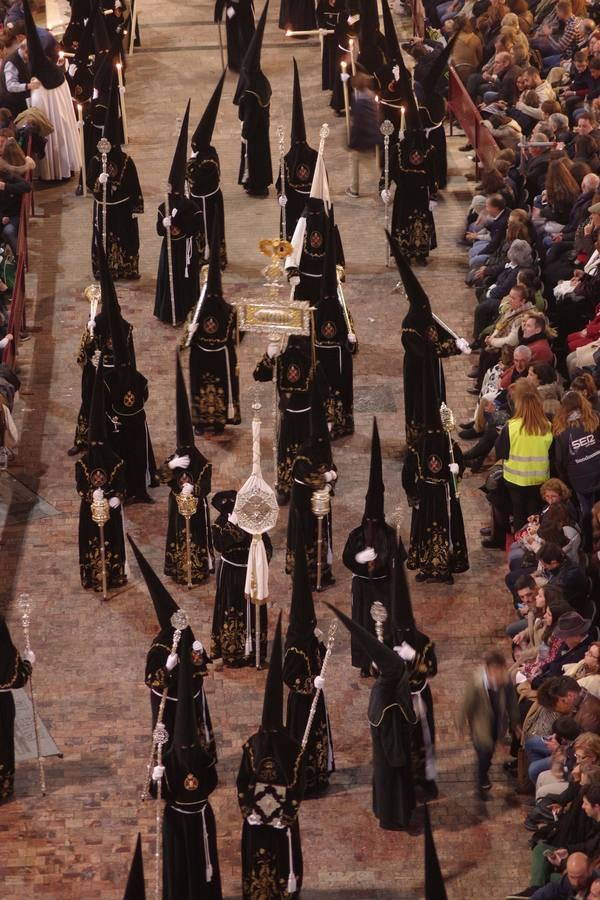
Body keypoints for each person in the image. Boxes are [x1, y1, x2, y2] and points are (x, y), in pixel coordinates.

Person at [326, 602, 417, 830]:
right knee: (393, 789)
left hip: (381, 758)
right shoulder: (390, 705)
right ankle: (395, 818)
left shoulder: (380, 689)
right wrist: (402, 759)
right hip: (391, 760)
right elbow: (393, 740)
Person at [236, 614, 305, 898]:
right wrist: (248, 811)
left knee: (282, 870)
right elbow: (242, 782)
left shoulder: (291, 749)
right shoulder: (253, 746)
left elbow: (298, 785)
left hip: (280, 822)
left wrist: (287, 814)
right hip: (257, 821)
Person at [129, 536, 215, 756]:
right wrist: (166, 668)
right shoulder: (158, 649)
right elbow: (151, 678)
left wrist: (197, 652)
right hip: (170, 703)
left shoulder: (187, 635)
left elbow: (200, 666)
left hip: (190, 697)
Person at [153, 627, 223, 900]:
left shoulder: (194, 757)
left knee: (200, 866)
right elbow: (156, 793)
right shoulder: (172, 760)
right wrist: (157, 777)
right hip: (179, 821)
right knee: (182, 866)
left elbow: (211, 782)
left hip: (198, 817)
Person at [392, 233, 468, 448]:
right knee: (419, 404)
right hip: (417, 371)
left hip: (432, 368)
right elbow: (426, 350)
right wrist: (452, 347)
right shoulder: (409, 325)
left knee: (437, 400)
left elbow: (438, 334)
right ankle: (419, 441)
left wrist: (457, 342)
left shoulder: (423, 317)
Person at [342, 419, 399, 676]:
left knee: (386, 624)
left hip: (383, 587)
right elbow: (347, 559)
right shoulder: (357, 535)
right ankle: (365, 663)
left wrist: (384, 561)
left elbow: (399, 559)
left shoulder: (388, 535)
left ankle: (384, 660)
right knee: (363, 625)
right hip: (364, 588)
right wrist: (359, 559)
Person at [101, 245, 158, 503]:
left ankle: (140, 489)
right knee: (122, 458)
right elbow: (104, 400)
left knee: (138, 457)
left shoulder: (135, 377)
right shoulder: (108, 378)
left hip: (135, 422)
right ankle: (123, 490)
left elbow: (143, 394)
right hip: (118, 424)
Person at [283, 521, 335, 796]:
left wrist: (323, 647)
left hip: (316, 698)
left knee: (318, 738)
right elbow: (289, 677)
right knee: (303, 740)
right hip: (302, 704)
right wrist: (310, 682)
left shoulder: (310, 638)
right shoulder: (293, 647)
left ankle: (320, 775)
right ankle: (305, 780)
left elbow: (319, 657)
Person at [161, 356, 214, 586]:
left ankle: (200, 567)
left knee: (197, 538)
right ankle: (178, 567)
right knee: (178, 536)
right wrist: (171, 467)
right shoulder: (175, 458)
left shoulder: (200, 461)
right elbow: (158, 477)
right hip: (177, 509)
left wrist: (195, 489)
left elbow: (207, 482)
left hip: (196, 508)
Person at [184, 224, 241, 435]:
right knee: (201, 389)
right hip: (205, 357)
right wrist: (189, 331)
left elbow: (236, 336)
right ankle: (201, 422)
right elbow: (184, 341)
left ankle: (217, 422)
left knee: (218, 390)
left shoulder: (227, 311)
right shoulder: (199, 311)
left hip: (216, 358)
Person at [76, 358, 127, 593]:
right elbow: (79, 486)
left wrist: (117, 496)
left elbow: (121, 483)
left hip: (111, 508)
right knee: (91, 543)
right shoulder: (83, 463)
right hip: (91, 510)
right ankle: (93, 576)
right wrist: (90, 494)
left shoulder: (115, 461)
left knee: (113, 541)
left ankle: (114, 575)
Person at [88, 71, 143, 280]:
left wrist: (135, 207)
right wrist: (98, 182)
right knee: (104, 239)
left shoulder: (127, 161)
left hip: (121, 208)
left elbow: (134, 184)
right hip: (104, 207)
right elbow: (92, 185)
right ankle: (106, 268)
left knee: (125, 239)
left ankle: (127, 268)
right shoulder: (95, 160)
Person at [285, 372, 337, 588]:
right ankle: (304, 574)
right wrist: (326, 477)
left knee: (321, 535)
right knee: (305, 537)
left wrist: (332, 476)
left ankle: (321, 572)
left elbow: (332, 468)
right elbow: (308, 475)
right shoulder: (305, 452)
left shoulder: (323, 449)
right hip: (304, 503)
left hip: (321, 502)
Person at [210, 490, 273, 667]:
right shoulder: (220, 524)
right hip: (231, 574)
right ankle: (233, 653)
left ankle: (255, 653)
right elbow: (220, 544)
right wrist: (232, 525)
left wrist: (260, 561)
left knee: (254, 611)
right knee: (232, 608)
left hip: (251, 572)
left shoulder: (254, 521)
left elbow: (267, 546)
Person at [154, 101, 203, 326]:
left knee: (183, 282)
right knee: (167, 278)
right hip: (170, 249)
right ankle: (167, 312)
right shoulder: (165, 204)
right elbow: (158, 231)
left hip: (184, 250)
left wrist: (179, 226)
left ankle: (183, 311)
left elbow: (195, 228)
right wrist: (163, 224)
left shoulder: (189, 207)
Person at [253, 333, 314, 506]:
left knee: (306, 450)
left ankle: (307, 483)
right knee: (285, 451)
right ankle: (285, 487)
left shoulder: (312, 363)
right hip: (288, 417)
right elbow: (259, 374)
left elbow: (322, 391)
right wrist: (269, 356)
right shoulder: (280, 362)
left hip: (307, 417)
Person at [22, 0, 80, 180]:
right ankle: (64, 164)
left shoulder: (39, 75)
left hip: (45, 92)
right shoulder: (51, 68)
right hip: (55, 88)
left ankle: (54, 170)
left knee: (52, 127)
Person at [314, 216, 356, 439]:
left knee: (339, 393)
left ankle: (340, 423)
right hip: (324, 360)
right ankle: (327, 422)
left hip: (337, 361)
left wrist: (351, 339)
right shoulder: (324, 310)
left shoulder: (340, 312)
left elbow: (352, 341)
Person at [458, 649, 521, 795]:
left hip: (498, 724)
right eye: (495, 671)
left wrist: (515, 723)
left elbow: (512, 704)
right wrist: (461, 727)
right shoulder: (476, 683)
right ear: (487, 669)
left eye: (501, 670)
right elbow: (465, 705)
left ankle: (483, 768)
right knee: (484, 753)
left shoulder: (505, 682)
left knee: (490, 751)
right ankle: (482, 778)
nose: (498, 675)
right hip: (480, 726)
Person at [495, 379, 554, 531]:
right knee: (534, 513)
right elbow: (551, 452)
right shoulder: (547, 426)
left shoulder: (512, 426)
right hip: (539, 478)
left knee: (518, 511)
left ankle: (519, 542)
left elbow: (501, 451)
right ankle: (534, 540)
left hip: (515, 478)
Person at [186, 70, 227, 267]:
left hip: (210, 200)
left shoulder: (210, 158)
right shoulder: (199, 156)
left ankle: (218, 257)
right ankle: (201, 254)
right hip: (197, 200)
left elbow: (198, 176)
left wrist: (190, 165)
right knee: (199, 229)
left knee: (213, 228)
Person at [233, 3, 272, 198]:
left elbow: (248, 116)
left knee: (254, 160)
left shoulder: (249, 92)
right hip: (263, 130)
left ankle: (255, 185)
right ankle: (261, 183)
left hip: (253, 132)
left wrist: (244, 133)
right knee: (262, 158)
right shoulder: (262, 82)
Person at [553, 391, 600, 551]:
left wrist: (566, 478)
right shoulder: (595, 419)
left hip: (580, 479)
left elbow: (560, 460)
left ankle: (586, 546)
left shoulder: (562, 431)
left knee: (587, 512)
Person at [276, 59, 317, 241]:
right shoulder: (287, 160)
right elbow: (280, 183)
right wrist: (280, 196)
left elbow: (321, 182)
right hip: (293, 203)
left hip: (310, 202)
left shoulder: (312, 157)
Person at [0, 616, 34, 803]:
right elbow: (16, 679)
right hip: (1, 703)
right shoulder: (4, 649)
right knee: (2, 741)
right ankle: (3, 785)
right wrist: (28, 662)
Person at [213, 0, 254, 73]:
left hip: (244, 6)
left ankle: (249, 62)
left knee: (247, 35)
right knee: (232, 35)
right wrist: (218, 10)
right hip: (232, 7)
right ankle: (235, 63)